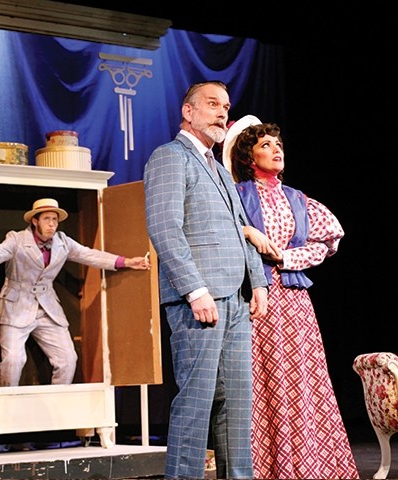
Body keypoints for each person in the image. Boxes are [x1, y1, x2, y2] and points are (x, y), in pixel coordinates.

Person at [143, 80, 269, 480]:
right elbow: (165, 228)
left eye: (226, 107)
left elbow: (240, 227)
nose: (222, 113)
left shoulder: (218, 169)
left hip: (236, 296)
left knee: (237, 401)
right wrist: (194, 289)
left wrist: (258, 281)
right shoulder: (169, 156)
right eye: (212, 104)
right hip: (199, 298)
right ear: (188, 111)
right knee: (196, 399)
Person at [223, 117, 359, 479]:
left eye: (278, 145)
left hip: (295, 300)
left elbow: (328, 241)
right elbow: (219, 230)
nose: (276, 150)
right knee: (262, 379)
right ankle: (263, 468)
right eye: (265, 145)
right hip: (256, 297)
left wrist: (285, 256)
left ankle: (308, 465)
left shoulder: (296, 198)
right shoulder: (237, 195)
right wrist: (248, 232)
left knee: (301, 378)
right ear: (248, 157)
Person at [0, 197, 150, 387]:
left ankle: (57, 400)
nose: (52, 224)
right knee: (13, 361)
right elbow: (0, 252)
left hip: (47, 307)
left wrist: (126, 262)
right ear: (35, 221)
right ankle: (5, 401)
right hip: (16, 306)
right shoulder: (17, 239)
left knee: (68, 359)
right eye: (47, 219)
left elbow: (89, 255)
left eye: (55, 219)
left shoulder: (62, 242)